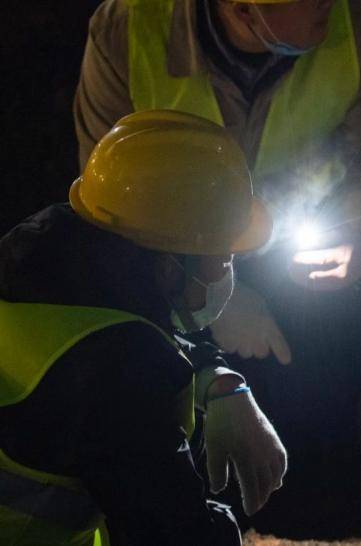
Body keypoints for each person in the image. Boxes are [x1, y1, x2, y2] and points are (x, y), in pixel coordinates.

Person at [74, 0, 361, 525]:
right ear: (243, 9)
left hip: (304, 244)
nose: (331, 8)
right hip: (176, 260)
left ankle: (339, 485)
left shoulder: (356, 21)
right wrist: (217, 296)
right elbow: (110, 211)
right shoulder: (127, 30)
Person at [0, 110, 287, 545]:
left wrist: (220, 381)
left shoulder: (44, 266)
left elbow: (125, 333)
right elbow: (174, 533)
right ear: (170, 265)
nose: (230, 271)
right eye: (223, 256)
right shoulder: (116, 372)